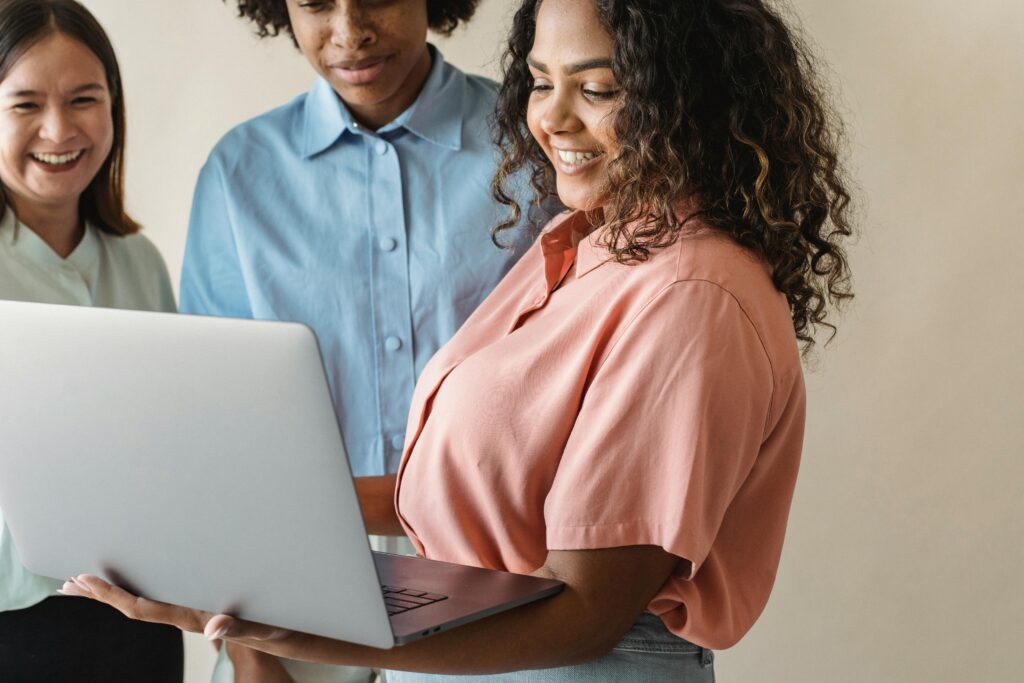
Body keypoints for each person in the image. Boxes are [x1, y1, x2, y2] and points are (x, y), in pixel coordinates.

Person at [67, 0, 855, 680]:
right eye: (542, 82)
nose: (551, 118)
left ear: (691, 99)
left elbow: (588, 609)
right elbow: (461, 490)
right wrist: (218, 537)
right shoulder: (587, 247)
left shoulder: (690, 291)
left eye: (601, 88)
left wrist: (283, 623)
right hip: (460, 638)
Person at [181, 1, 540, 681]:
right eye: (316, 3)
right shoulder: (238, 173)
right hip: (285, 580)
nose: (349, 31)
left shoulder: (535, 145)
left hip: (492, 566)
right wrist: (249, 650)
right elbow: (211, 426)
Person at [0, 0, 181, 681]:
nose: (58, 129)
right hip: (14, 623)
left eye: (84, 99)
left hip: (137, 619)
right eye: (24, 105)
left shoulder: (140, 261)